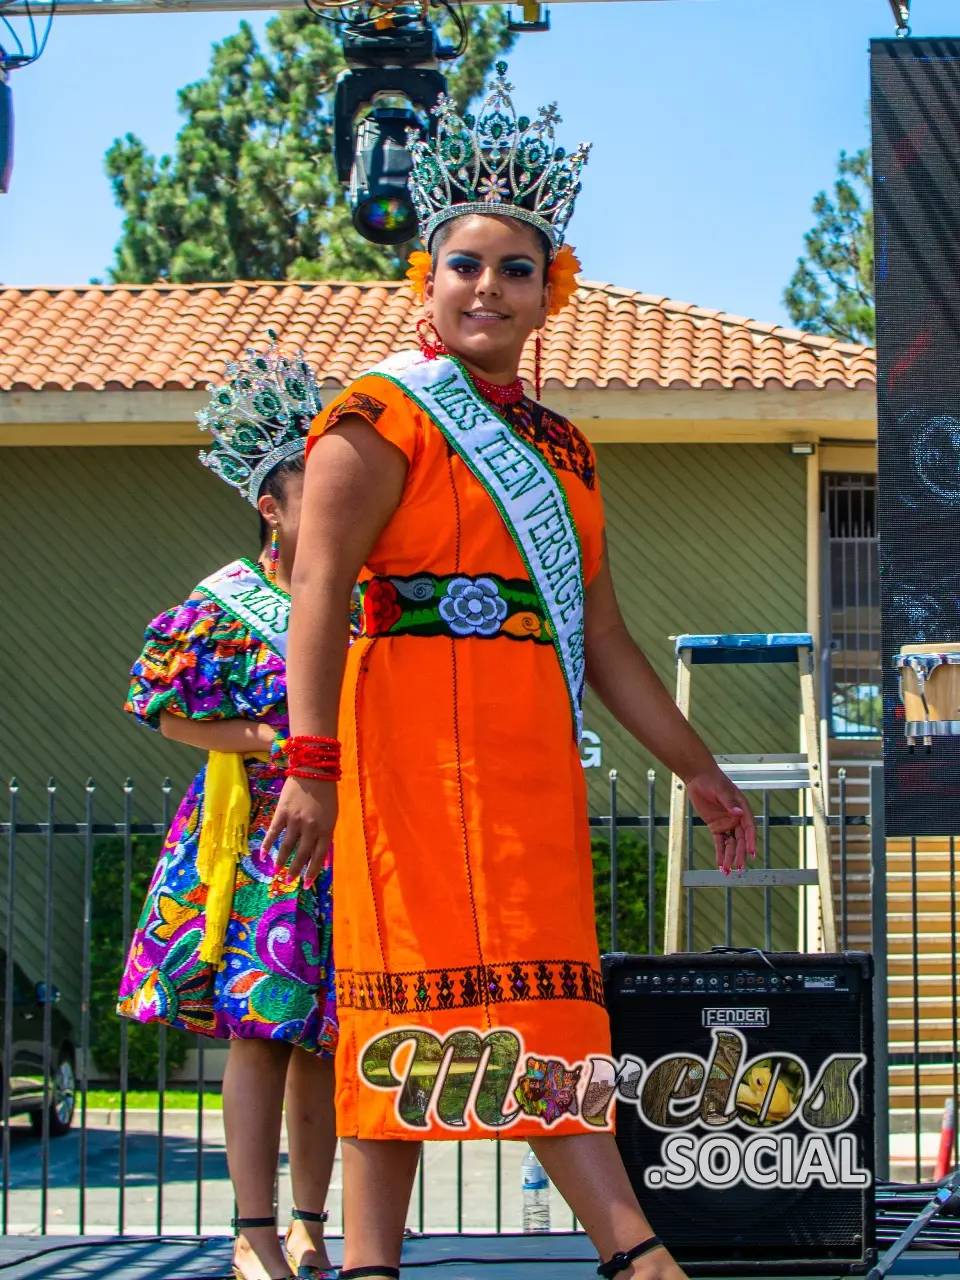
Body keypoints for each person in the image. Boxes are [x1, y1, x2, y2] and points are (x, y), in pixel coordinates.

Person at [265, 66, 757, 1280]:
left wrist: (700, 769)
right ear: (426, 283)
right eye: (465, 265)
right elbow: (319, 591)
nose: (488, 287)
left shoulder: (566, 451)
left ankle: (629, 1250)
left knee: (544, 1007)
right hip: (408, 748)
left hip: (527, 758)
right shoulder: (379, 415)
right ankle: (569, 1258)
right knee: (407, 1004)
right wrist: (311, 763)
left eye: (515, 268)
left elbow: (603, 635)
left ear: (552, 292)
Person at [118, 336, 339, 1280]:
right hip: (254, 848)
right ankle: (253, 1233)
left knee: (328, 1042)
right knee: (260, 1036)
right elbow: (164, 708)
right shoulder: (228, 601)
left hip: (349, 838)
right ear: (272, 507)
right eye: (315, 495)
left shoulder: (355, 600)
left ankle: (310, 1222)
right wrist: (269, 745)